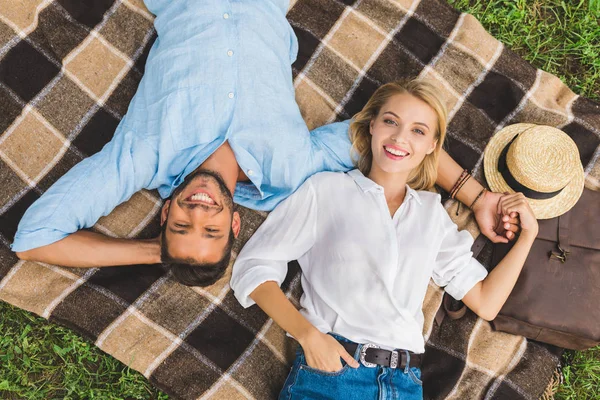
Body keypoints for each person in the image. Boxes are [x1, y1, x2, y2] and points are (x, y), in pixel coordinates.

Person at [12, 0, 518, 287]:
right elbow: (383, 138)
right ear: (235, 223)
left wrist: (157, 253)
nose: (200, 209)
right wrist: (478, 197)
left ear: (164, 213)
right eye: (211, 230)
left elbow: (34, 240)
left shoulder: (142, 156)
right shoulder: (293, 171)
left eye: (183, 224)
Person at [230, 79, 538, 399]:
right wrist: (308, 336)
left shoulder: (432, 214)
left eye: (418, 131)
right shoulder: (325, 191)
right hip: (334, 375)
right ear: (373, 125)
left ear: (433, 145)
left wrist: (528, 236)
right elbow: (254, 267)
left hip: (404, 384)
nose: (399, 137)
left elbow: (487, 302)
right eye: (391, 121)